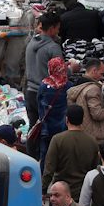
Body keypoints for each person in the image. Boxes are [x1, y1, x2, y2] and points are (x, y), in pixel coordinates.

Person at [26, 12, 65, 143]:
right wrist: (72, 69)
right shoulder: (53, 47)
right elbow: (60, 74)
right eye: (57, 28)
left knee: (33, 130)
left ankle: (31, 154)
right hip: (46, 94)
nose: (58, 31)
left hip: (30, 92)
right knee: (48, 133)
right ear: (52, 28)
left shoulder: (31, 43)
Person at [44, 106, 100, 191]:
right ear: (82, 120)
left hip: (61, 191)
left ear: (67, 120)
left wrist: (43, 189)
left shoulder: (57, 140)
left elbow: (49, 169)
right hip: (83, 190)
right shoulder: (92, 141)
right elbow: (95, 169)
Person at [39, 56, 73, 175]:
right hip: (63, 127)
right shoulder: (69, 86)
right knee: (62, 155)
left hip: (47, 128)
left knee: (45, 155)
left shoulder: (43, 86)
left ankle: (44, 179)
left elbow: (39, 106)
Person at [68, 58, 104, 141]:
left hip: (80, 132)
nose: (102, 76)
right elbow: (97, 114)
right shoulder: (92, 89)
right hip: (93, 135)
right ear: (94, 71)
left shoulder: (77, 85)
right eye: (101, 73)